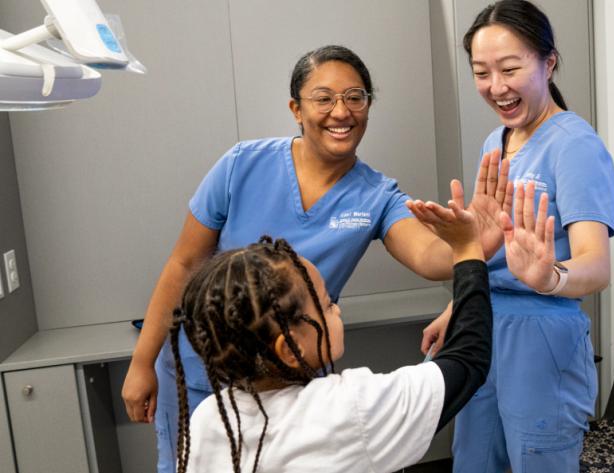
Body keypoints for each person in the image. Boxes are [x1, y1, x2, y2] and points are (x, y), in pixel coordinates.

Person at [121, 45, 510, 473]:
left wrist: (472, 245)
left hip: (292, 376)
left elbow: (430, 255)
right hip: (203, 368)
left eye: (355, 97)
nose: (341, 111)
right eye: (323, 98)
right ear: (296, 108)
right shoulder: (241, 166)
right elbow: (182, 266)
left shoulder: (376, 195)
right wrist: (142, 362)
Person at [417, 1, 614, 471]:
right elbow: (488, 250)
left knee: (536, 460)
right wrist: (458, 307)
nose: (496, 87)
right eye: (481, 72)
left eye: (510, 68)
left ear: (548, 63)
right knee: (474, 458)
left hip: (542, 336)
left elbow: (597, 265)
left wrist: (550, 277)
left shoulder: (574, 145)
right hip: (486, 324)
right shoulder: (497, 142)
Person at [173, 215, 490, 471]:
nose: (336, 309)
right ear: (289, 349)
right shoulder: (346, 410)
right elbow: (467, 359)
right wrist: (467, 250)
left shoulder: (208, 419)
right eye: (325, 305)